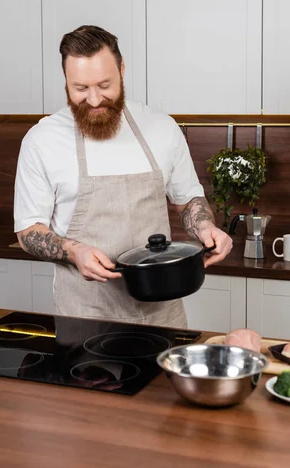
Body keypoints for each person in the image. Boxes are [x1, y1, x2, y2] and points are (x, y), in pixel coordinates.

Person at [14, 25, 232, 328]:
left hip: (163, 315)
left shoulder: (161, 128)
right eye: (80, 89)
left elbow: (188, 201)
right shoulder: (42, 140)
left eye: (104, 85)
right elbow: (27, 231)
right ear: (65, 81)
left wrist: (206, 227)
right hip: (83, 317)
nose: (93, 100)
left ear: (122, 69)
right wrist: (74, 252)